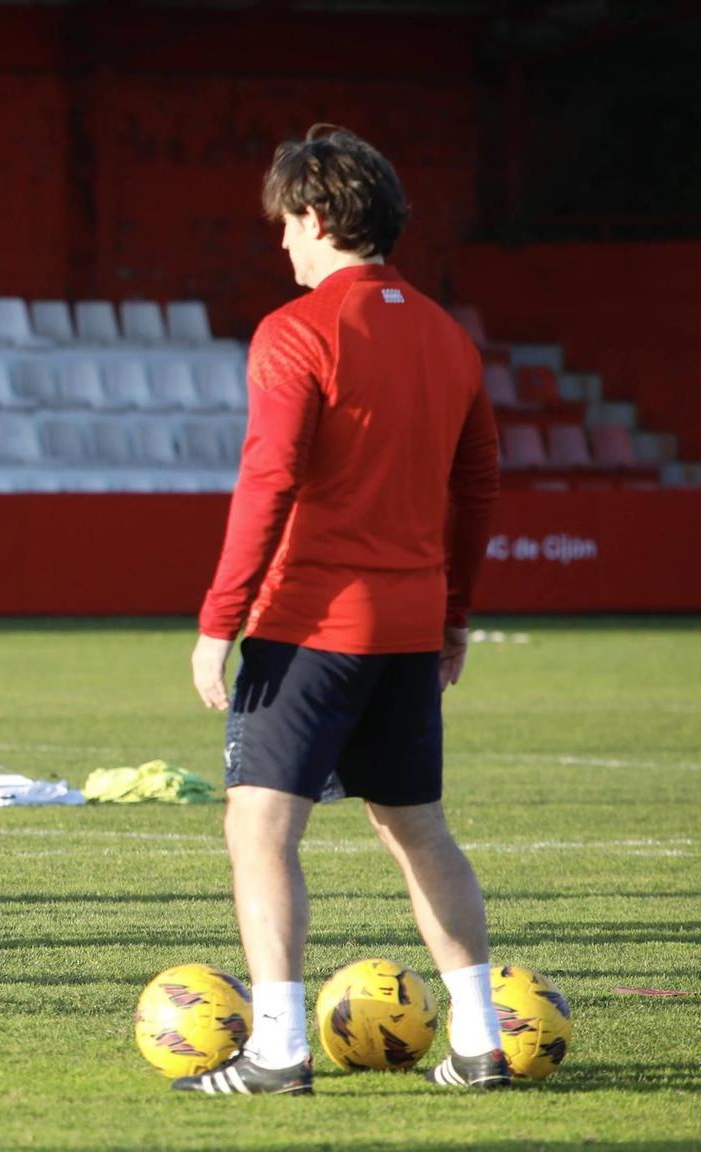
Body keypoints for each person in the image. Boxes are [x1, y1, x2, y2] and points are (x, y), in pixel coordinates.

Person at [180, 126, 504, 1095]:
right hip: (406, 634)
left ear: (317, 216)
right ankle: (479, 1040)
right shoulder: (447, 337)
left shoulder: (296, 332)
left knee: (256, 833)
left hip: (308, 629)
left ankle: (277, 1049)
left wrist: (215, 619)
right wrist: (452, 617)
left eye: (286, 224)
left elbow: (267, 475)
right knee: (418, 833)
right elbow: (478, 483)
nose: (281, 245)